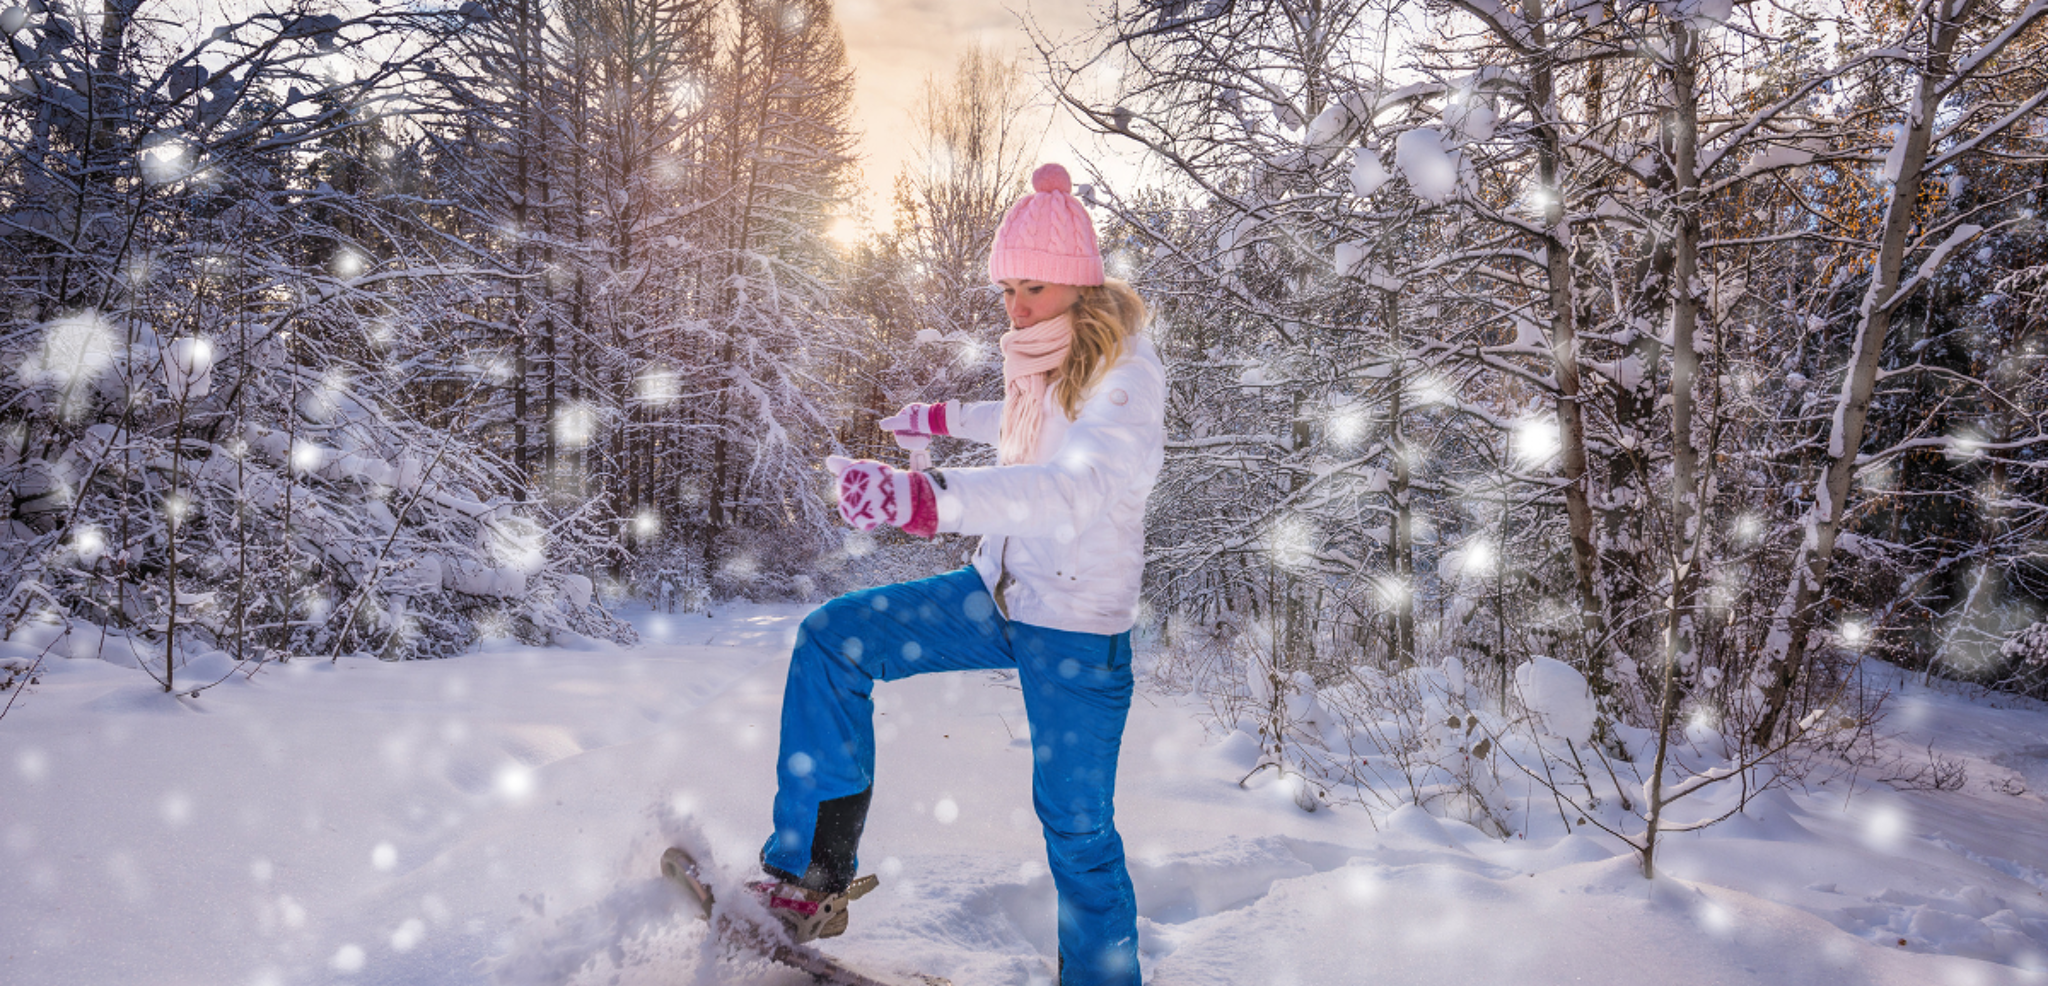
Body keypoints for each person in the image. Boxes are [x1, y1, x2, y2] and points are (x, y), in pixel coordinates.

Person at [753, 163, 1163, 986]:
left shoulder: (1125, 378)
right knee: (835, 639)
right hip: (995, 595)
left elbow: (1072, 487)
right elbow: (1024, 426)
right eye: (1007, 289)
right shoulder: (1042, 356)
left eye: (1032, 289)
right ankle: (811, 880)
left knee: (1077, 835)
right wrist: (941, 420)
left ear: (1080, 286)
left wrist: (926, 496)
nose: (1015, 308)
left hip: (1077, 630)